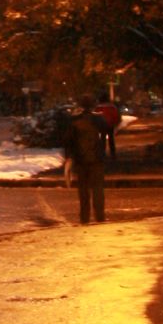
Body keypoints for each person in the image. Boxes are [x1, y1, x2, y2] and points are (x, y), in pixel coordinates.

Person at [63, 91, 107, 225]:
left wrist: (69, 157)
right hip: (97, 159)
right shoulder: (99, 119)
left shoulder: (74, 121)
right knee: (98, 188)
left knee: (83, 190)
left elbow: (68, 141)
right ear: (93, 105)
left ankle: (84, 217)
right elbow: (105, 135)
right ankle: (99, 215)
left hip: (81, 160)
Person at [94, 95, 120, 162]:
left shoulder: (98, 107)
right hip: (110, 125)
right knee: (111, 139)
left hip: (102, 126)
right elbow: (116, 116)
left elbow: (95, 116)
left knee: (102, 139)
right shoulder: (112, 107)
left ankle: (103, 154)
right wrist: (116, 123)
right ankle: (113, 154)